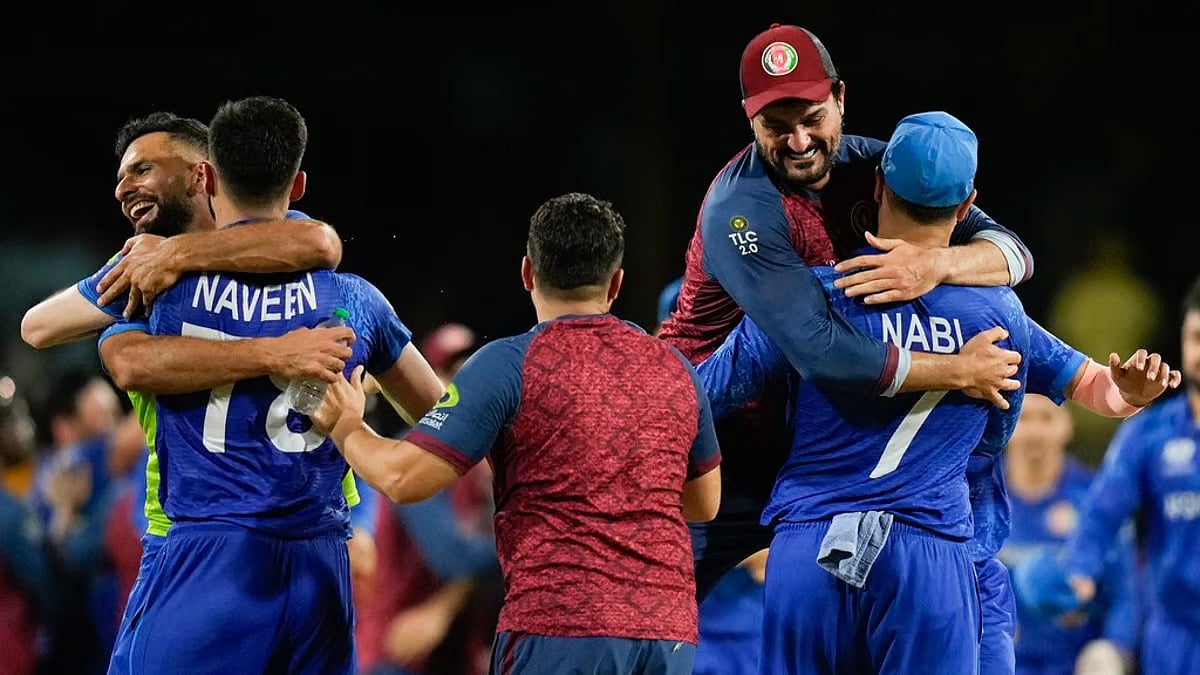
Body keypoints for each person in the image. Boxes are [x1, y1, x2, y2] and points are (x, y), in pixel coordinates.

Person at [655, 22, 1033, 604]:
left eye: (812, 118)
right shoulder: (741, 209)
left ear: (840, 98)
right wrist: (956, 371)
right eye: (776, 127)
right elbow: (816, 350)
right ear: (749, 121)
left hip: (824, 454)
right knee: (644, 609)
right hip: (715, 445)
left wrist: (936, 264)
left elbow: (1012, 253)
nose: (799, 141)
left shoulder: (878, 168)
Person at [310, 192, 722, 675]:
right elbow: (704, 502)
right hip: (667, 634)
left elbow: (403, 478)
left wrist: (345, 426)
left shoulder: (510, 365)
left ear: (528, 273)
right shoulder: (675, 368)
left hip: (559, 627)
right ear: (615, 282)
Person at [101, 96, 445, 674]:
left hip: (207, 560)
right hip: (319, 573)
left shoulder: (159, 288)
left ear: (208, 180)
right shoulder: (356, 300)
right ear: (299, 184)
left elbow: (99, 349)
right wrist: (357, 432)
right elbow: (442, 420)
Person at [15, 111, 366, 675]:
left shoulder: (277, 248)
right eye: (120, 177)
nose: (123, 188)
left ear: (203, 173)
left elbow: (321, 242)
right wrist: (271, 351)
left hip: (261, 531)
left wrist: (177, 255)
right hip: (189, 527)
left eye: (142, 169)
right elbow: (38, 328)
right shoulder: (144, 271)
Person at [699, 110, 1032, 672]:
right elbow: (998, 433)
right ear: (967, 205)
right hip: (928, 547)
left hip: (809, 545)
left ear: (876, 185)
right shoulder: (999, 312)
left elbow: (704, 394)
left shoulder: (811, 293)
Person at [1014, 274, 1200, 675]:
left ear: (1066, 426)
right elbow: (1103, 514)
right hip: (1177, 634)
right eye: (1196, 338)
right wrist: (1079, 568)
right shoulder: (1149, 434)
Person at [998, 394, 1138, 675]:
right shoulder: (975, 500)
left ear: (1067, 425)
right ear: (1005, 425)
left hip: (1077, 663)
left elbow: (1127, 591)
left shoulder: (1096, 499)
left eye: (1046, 417)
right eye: (1024, 418)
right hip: (1003, 662)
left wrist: (1114, 649)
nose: (1035, 431)